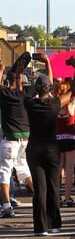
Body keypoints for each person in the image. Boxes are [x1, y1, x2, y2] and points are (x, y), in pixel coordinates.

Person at [24, 54, 71, 236]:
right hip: (52, 150)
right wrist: (49, 64)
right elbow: (70, 92)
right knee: (53, 187)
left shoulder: (30, 104)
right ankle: (55, 224)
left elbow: (25, 93)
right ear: (50, 89)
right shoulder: (54, 104)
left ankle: (40, 227)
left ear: (36, 88)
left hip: (34, 150)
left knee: (39, 189)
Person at [0, 52, 34, 218]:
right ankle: (41, 197)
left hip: (10, 140)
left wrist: (1, 71)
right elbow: (19, 86)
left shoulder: (5, 95)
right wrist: (18, 74)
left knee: (4, 172)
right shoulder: (24, 96)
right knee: (24, 169)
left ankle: (6, 205)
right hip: (25, 139)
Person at [54, 66, 75, 207]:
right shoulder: (71, 105)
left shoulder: (53, 106)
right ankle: (67, 197)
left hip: (57, 139)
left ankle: (58, 197)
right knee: (70, 169)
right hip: (71, 138)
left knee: (59, 169)